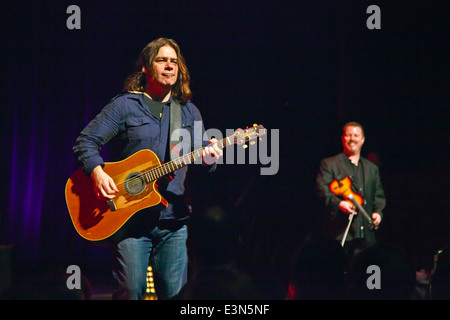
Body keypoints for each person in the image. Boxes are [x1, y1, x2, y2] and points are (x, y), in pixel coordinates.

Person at [73, 38, 223, 299]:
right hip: (129, 219)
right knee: (130, 292)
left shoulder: (188, 112)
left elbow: (203, 157)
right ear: (145, 67)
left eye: (174, 61)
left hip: (173, 223)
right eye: (162, 60)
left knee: (176, 294)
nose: (169, 66)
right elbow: (86, 141)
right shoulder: (124, 106)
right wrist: (98, 173)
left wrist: (210, 158)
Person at [316, 122, 386, 259]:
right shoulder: (329, 164)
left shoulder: (372, 168)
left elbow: (379, 197)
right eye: (348, 135)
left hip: (366, 235)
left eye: (356, 135)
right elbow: (322, 190)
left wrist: (378, 213)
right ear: (343, 138)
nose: (352, 139)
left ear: (362, 139)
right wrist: (339, 204)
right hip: (340, 233)